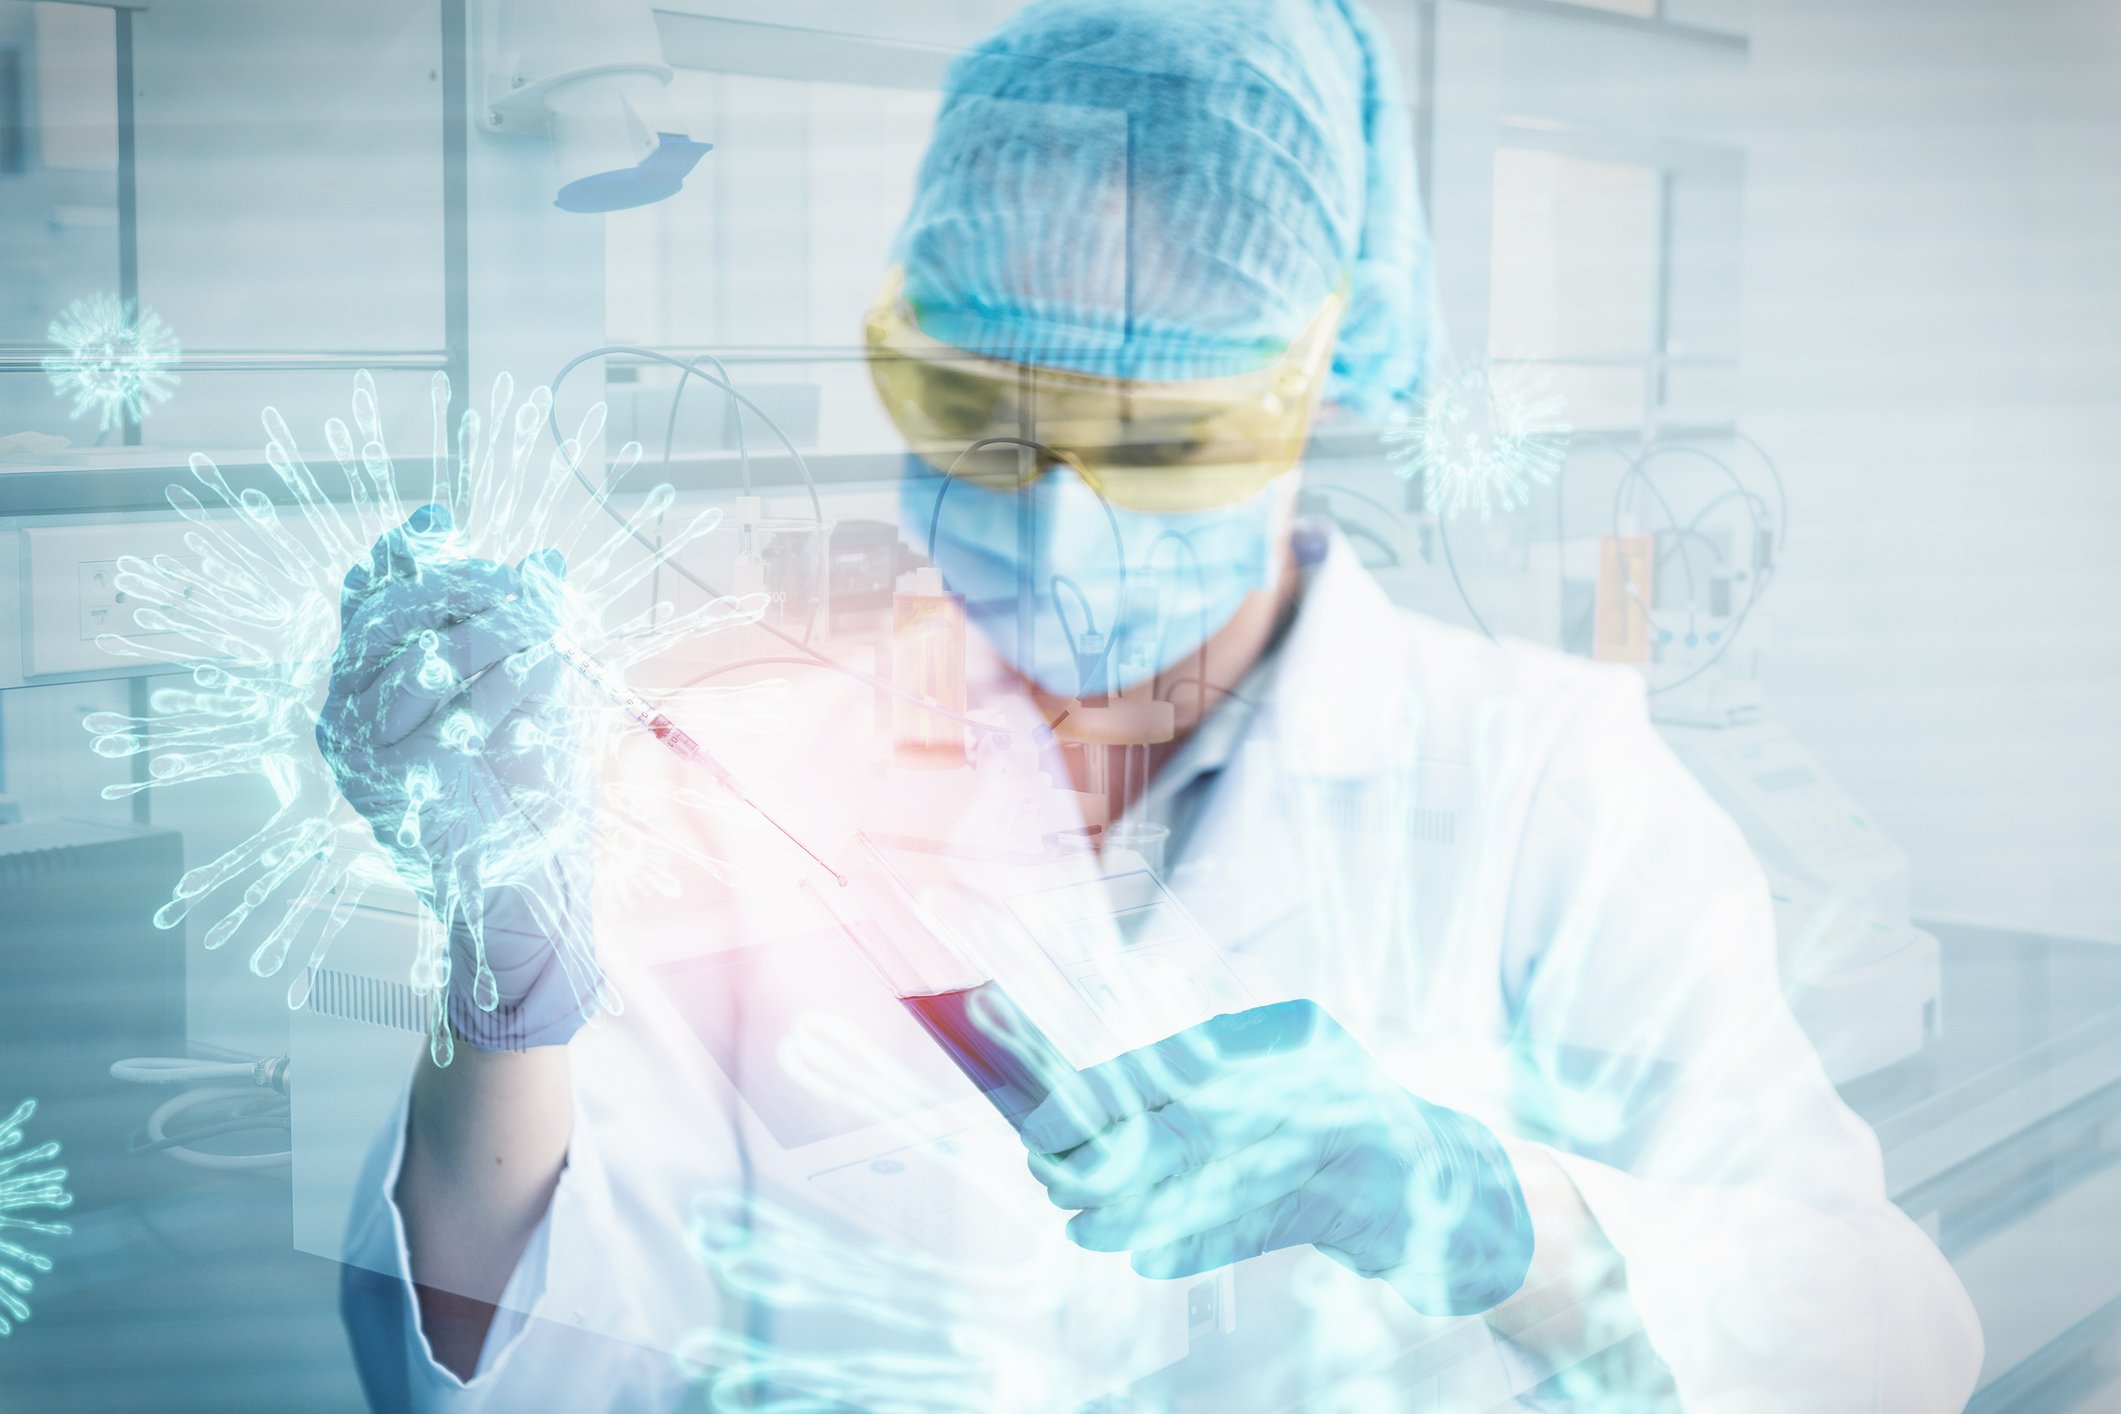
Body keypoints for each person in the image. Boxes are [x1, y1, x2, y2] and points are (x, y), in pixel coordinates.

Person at [329, 1, 1983, 1409]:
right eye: (973, 407)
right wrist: (496, 997)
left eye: (1160, 440)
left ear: (1316, 390)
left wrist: (1490, 1210)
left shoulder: (1542, 789)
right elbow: (509, 1361)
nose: (1052, 522)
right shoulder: (768, 778)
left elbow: (1892, 1341)